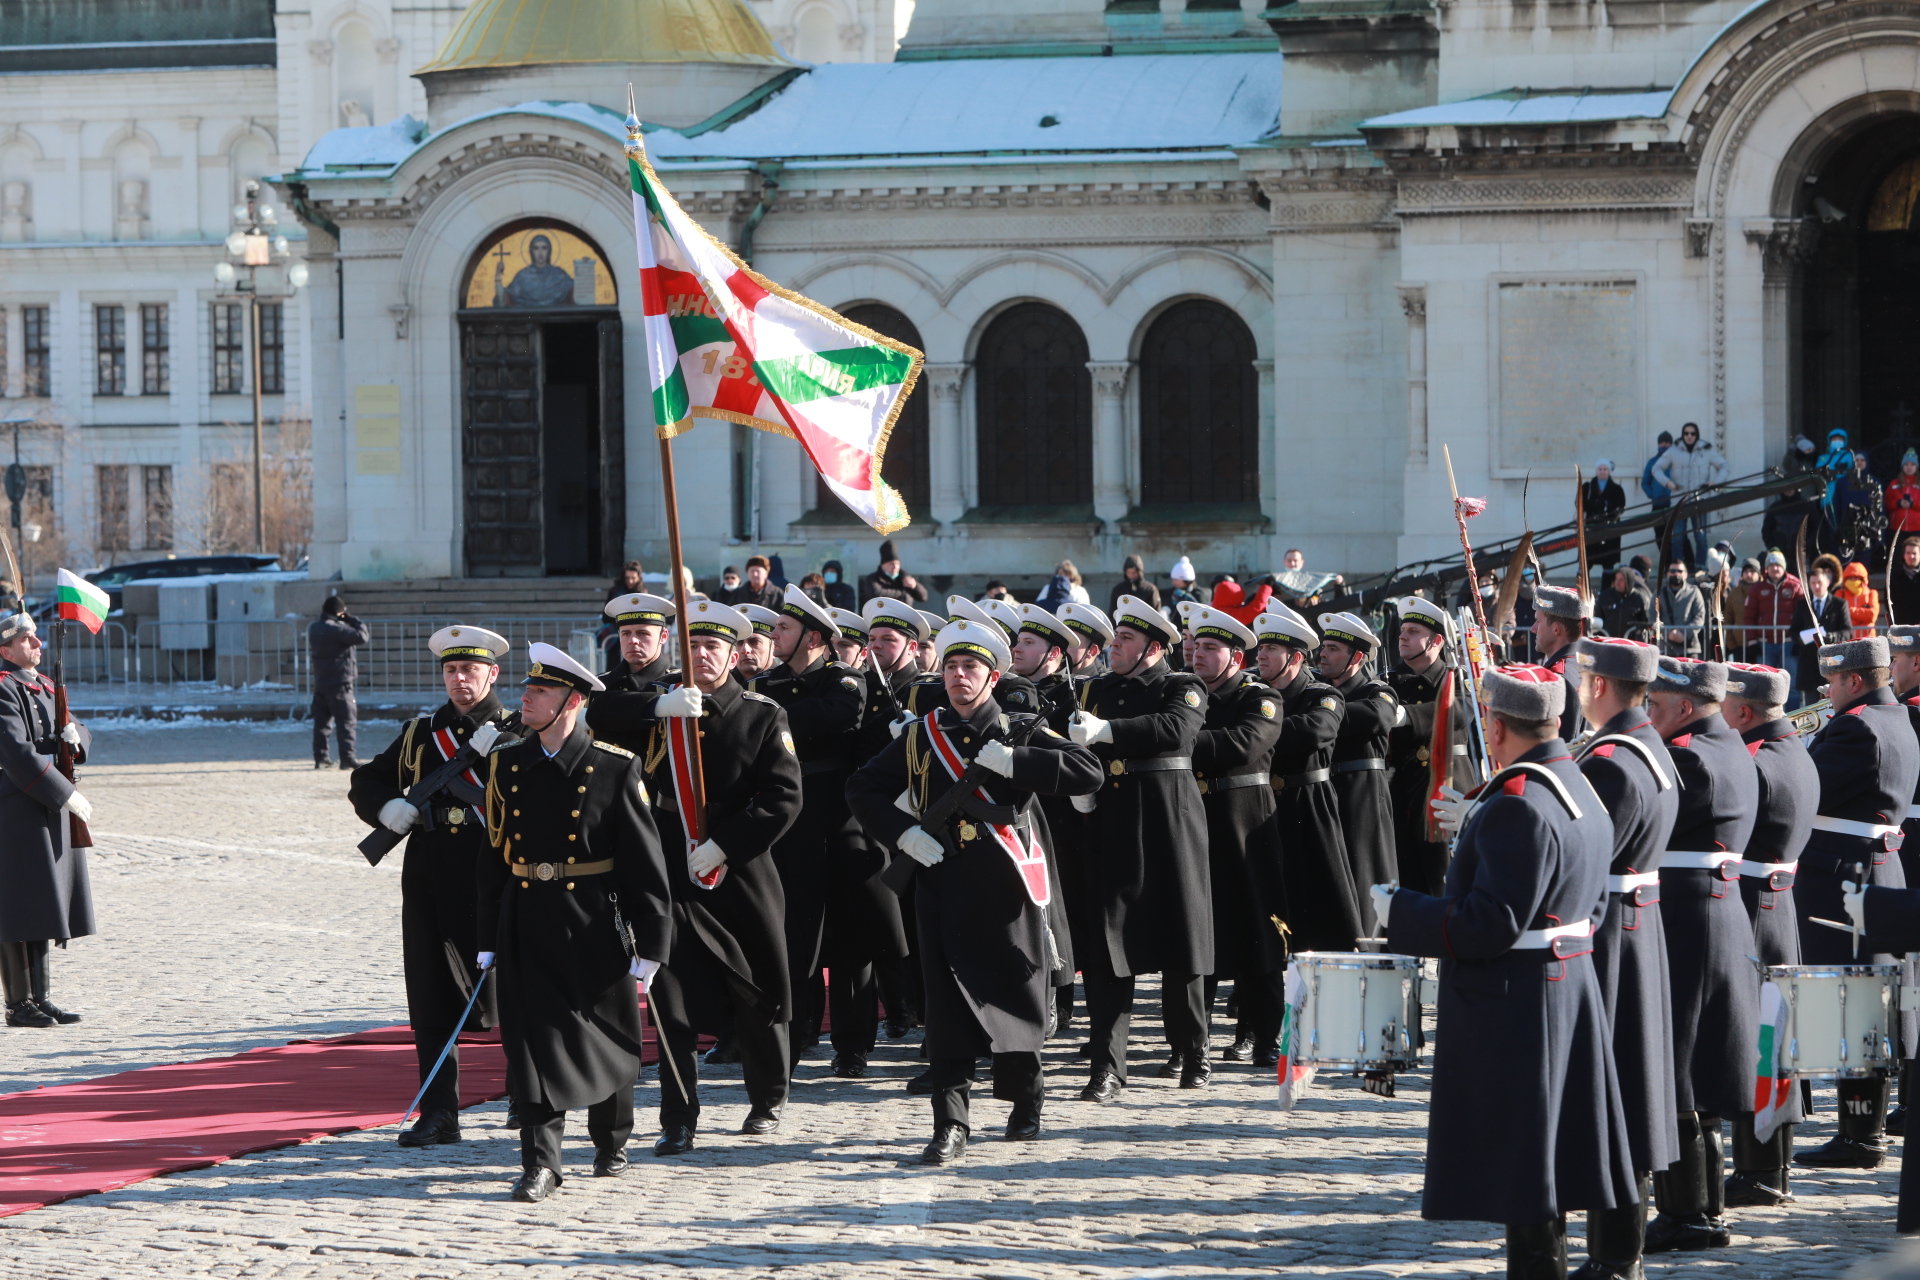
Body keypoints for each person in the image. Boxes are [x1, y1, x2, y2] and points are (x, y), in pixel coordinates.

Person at [1385, 664, 1636, 1280]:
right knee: (1551, 1148)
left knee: (1525, 1158)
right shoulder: (1577, 783)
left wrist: (1399, 908)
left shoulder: (1518, 803)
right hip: (1568, 980)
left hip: (1519, 997)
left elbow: (1486, 922)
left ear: (1496, 729)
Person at [847, 618, 1102, 1163]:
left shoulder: (1021, 728)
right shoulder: (921, 733)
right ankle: (951, 1122)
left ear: (993, 676)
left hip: (1007, 882)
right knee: (945, 1000)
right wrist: (904, 835)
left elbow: (1089, 771)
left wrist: (1018, 761)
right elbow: (863, 786)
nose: (960, 677)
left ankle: (1025, 1101)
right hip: (942, 880)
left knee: (1014, 989)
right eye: (952, 668)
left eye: (971, 668)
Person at [475, 643, 672, 1201]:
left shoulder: (614, 766)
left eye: (539, 691)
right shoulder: (507, 762)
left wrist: (652, 940)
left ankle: (611, 1137)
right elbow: (492, 857)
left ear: (573, 702)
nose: (525, 698)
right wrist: (486, 935)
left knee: (604, 1031)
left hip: (592, 915)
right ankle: (541, 1161)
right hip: (525, 913)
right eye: (528, 688)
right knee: (531, 1039)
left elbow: (644, 865)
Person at [637, 599, 802, 1154]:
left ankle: (767, 1097)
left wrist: (725, 845)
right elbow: (596, 712)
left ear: (734, 655)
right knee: (671, 1000)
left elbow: (784, 796)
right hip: (672, 874)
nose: (702, 656)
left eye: (713, 647)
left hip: (741, 875)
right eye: (693, 647)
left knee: (758, 992)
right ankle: (678, 1116)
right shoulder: (663, 709)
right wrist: (655, 712)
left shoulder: (762, 714)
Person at [349, 625, 518, 1146]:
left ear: (492, 674)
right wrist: (387, 805)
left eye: (470, 670)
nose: (460, 680)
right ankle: (439, 1111)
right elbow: (367, 779)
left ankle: (527, 1095)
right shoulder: (421, 734)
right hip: (429, 874)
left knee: (514, 988)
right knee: (429, 993)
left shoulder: (518, 731)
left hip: (497, 870)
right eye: (450, 670)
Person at [1564, 637, 1679, 1279]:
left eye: (1583, 679)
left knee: (1611, 1098)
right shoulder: (1647, 743)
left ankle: (1614, 1255)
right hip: (1638, 930)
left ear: (1600, 686)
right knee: (1630, 1089)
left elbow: (1582, 849)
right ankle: (1619, 1250)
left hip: (1608, 936)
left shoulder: (1610, 760)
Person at [1067, 594, 1212, 1099]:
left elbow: (1176, 731)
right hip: (1111, 821)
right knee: (1108, 948)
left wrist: (1108, 731)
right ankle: (1106, 1068)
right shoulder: (1097, 689)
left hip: (1170, 820)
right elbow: (1073, 746)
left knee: (1182, 939)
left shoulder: (1183, 685)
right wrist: (1080, 788)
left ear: (1153, 647)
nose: (1114, 648)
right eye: (1113, 639)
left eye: (1125, 639)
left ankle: (1193, 1050)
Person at [1642, 655, 1759, 1252]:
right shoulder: (1732, 745)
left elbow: (1634, 819)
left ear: (1684, 708)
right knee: (1701, 1066)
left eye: (1654, 707)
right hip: (1714, 913)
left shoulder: (1687, 756)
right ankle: (1704, 1209)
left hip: (1689, 919)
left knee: (1680, 1068)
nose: (1647, 716)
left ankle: (1688, 1214)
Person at [1792, 635, 1920, 1173]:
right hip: (1872, 866)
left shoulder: (1858, 727)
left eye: (1834, 681)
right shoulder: (1896, 719)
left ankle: (1860, 1133)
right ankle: (1861, 1126)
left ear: (1855, 681)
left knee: (1853, 1002)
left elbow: (1807, 790)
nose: (1826, 689)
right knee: (1867, 999)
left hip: (1844, 873)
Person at [749, 584, 865, 1065]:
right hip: (791, 818)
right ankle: (798, 1034)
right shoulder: (766, 686)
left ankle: (852, 1043)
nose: (775, 634)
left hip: (839, 815)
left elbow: (841, 714)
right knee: (796, 930)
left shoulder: (842, 681)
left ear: (813, 639)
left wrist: (777, 717)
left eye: (784, 628)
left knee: (849, 932)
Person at [1717, 662, 1815, 1205]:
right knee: (1775, 1037)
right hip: (1779, 906)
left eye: (1726, 706)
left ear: (1744, 711)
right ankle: (1772, 1167)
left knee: (1755, 1039)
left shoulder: (1753, 762)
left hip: (1751, 906)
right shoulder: (1795, 752)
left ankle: (1758, 1172)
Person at [1177, 602, 1288, 1068]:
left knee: (1257, 933)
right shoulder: (1183, 694)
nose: (1198, 655)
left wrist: (1172, 738)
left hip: (1245, 823)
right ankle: (1190, 1043)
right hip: (1195, 819)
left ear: (1236, 658)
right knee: (1195, 935)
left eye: (1210, 648)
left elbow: (1242, 745)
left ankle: (1263, 1035)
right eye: (1195, 646)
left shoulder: (1259, 698)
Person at [815, 605, 908, 1079]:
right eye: (861, 642)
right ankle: (838, 1041)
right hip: (830, 823)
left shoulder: (900, 692)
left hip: (875, 827)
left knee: (882, 940)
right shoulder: (841, 687)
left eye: (879, 641)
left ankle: (904, 1025)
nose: (867, 650)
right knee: (835, 943)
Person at [0, 609, 93, 1028]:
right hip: (14, 808)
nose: (37, 645)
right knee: (14, 906)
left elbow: (74, 724)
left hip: (42, 807)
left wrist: (76, 737)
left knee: (40, 900)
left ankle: (41, 997)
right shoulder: (3, 689)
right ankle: (18, 1005)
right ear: (5, 650)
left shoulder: (44, 684)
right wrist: (65, 793)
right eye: (27, 640)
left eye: (37, 638)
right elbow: (18, 753)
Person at [1253, 607, 1361, 960]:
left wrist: (1254, 733)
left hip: (1308, 803)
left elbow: (1315, 730)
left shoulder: (1322, 695)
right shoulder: (1252, 692)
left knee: (1320, 900)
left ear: (1296, 658)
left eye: (1272, 650)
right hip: (1263, 802)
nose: (1262, 655)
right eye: (1261, 648)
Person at [1317, 611, 1399, 929]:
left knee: (1366, 878)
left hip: (1361, 795)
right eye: (1324, 646)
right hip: (1326, 792)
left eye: (1334, 648)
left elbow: (1379, 716)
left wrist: (1320, 715)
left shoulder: (1376, 691)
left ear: (1357, 657)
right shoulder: (1317, 690)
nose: (1323, 653)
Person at [1385, 597, 1471, 897]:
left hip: (1449, 790)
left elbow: (1459, 711)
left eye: (1412, 631)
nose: (1403, 636)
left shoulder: (1458, 677)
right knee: (1409, 882)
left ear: (1436, 640)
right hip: (1404, 795)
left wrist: (1407, 715)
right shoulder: (1389, 682)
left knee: (1446, 882)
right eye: (1402, 630)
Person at [583, 593, 677, 753]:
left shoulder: (677, 684)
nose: (633, 640)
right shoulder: (599, 686)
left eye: (643, 633)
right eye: (626, 633)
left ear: (664, 636)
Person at [1651, 423, 1730, 569]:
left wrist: (1715, 482)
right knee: (1678, 537)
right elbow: (1656, 468)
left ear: (1696, 435)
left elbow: (1725, 466)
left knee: (1701, 537)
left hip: (1700, 500)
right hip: (1678, 501)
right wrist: (1668, 484)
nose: (1689, 436)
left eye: (1692, 433)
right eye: (1686, 433)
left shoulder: (1706, 450)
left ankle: (1700, 567)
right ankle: (1677, 568)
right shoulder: (1673, 451)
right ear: (1683, 435)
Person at [309, 595, 371, 770]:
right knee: (346, 722)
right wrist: (352, 619)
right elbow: (362, 636)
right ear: (339, 612)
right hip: (340, 683)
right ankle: (347, 758)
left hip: (321, 682)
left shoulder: (314, 628)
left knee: (322, 723)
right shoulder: (336, 630)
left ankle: (320, 757)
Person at [1744, 550, 1804, 701]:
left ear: (1784, 567)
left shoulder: (1796, 585)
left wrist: (1799, 641)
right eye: (1771, 565)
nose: (1775, 568)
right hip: (1765, 644)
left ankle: (1792, 720)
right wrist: (1752, 642)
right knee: (1764, 684)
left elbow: (1804, 615)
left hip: (1789, 643)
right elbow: (1749, 616)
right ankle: (1766, 720)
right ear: (1766, 569)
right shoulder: (1757, 588)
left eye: (1778, 565)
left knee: (1792, 686)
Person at [1529, 585, 1588, 739]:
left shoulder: (1559, 679)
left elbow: (1559, 746)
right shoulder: (1584, 663)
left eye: (1538, 621)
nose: (1533, 629)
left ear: (1556, 629)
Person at [1793, 562, 1851, 698]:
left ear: (1828, 582)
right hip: (1809, 664)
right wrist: (1803, 637)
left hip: (1833, 662)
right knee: (1811, 707)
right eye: (1813, 583)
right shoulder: (1802, 605)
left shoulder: (1839, 604)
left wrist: (1830, 637)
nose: (1816, 586)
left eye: (1819, 582)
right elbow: (1793, 632)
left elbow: (1847, 631)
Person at [1584, 460, 1628, 569]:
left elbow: (1621, 507)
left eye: (1605, 469)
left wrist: (1611, 510)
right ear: (1596, 471)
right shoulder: (1587, 487)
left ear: (1609, 471)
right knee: (1586, 562)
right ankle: (1582, 586)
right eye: (1600, 469)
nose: (1602, 472)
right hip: (1591, 527)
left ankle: (1607, 586)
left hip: (1610, 529)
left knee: (1609, 562)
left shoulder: (1617, 488)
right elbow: (1579, 504)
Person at [858, 540, 928, 607]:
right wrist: (904, 594)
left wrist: (914, 587)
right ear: (883, 565)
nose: (895, 567)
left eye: (897, 564)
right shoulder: (873, 579)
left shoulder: (904, 577)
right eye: (891, 564)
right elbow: (877, 594)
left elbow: (923, 597)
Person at [1658, 560, 1706, 657]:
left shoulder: (1694, 592)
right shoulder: (1659, 593)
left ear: (1686, 574)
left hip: (1690, 648)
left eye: (1680, 571)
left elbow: (1699, 617)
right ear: (1668, 574)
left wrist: (1684, 633)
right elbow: (1652, 616)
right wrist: (1667, 632)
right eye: (1673, 571)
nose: (1676, 574)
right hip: (1666, 648)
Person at [1056, 602, 1112, 682]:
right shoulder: (1051, 679)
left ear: (1092, 651)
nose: (1062, 646)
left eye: (1072, 641)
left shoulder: (1102, 687)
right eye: (1063, 639)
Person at [1598, 567, 1653, 644]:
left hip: (1631, 644)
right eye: (1616, 579)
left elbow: (1646, 622)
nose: (1617, 583)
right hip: (1608, 643)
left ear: (1629, 581)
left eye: (1621, 580)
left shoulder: (1639, 598)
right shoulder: (1605, 596)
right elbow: (1598, 619)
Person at [1726, 559, 1762, 662]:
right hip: (1739, 644)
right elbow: (1727, 617)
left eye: (1753, 571)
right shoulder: (1734, 593)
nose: (1749, 575)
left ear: (1758, 574)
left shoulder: (1765, 591)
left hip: (1761, 643)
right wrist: (1731, 643)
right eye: (1746, 571)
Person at [734, 604, 780, 682]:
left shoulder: (787, 684)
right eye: (739, 642)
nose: (745, 650)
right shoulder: (720, 684)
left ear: (774, 647)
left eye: (755, 642)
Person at [1840, 560, 1882, 630]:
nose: (1853, 581)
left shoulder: (1872, 593)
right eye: (1850, 578)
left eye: (1856, 578)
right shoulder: (1840, 594)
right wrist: (1863, 616)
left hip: (1868, 639)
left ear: (1863, 579)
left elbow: (1872, 615)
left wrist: (1847, 611)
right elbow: (1838, 616)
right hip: (1847, 639)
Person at [1641, 431, 1675, 511]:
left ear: (1671, 444)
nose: (1664, 444)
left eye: (1666, 442)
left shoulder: (1677, 461)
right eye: (1661, 442)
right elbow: (1645, 482)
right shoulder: (1652, 462)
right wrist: (1652, 494)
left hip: (1674, 504)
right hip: (1657, 504)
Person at [1890, 451, 1920, 540]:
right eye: (1906, 464)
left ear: (1916, 467)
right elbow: (1887, 503)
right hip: (1897, 527)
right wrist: (1898, 503)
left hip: (1917, 528)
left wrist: (1912, 504)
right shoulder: (1894, 484)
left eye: (1912, 464)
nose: (1909, 467)